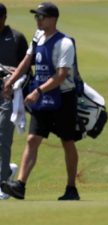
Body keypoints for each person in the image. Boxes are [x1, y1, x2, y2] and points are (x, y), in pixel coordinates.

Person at [1, 2, 80, 200]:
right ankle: (20, 185)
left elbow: (61, 75)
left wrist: (37, 90)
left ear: (53, 19)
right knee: (32, 139)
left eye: (41, 16)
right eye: (36, 16)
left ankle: (71, 188)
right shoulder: (37, 37)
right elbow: (26, 61)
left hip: (63, 98)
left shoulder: (65, 44)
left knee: (67, 142)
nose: (37, 19)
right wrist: (10, 81)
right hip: (43, 97)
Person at [0, 3, 29, 200]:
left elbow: (27, 70)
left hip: (8, 96)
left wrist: (16, 80)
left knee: (3, 138)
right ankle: (7, 170)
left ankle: (2, 185)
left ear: (3, 18)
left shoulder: (17, 38)